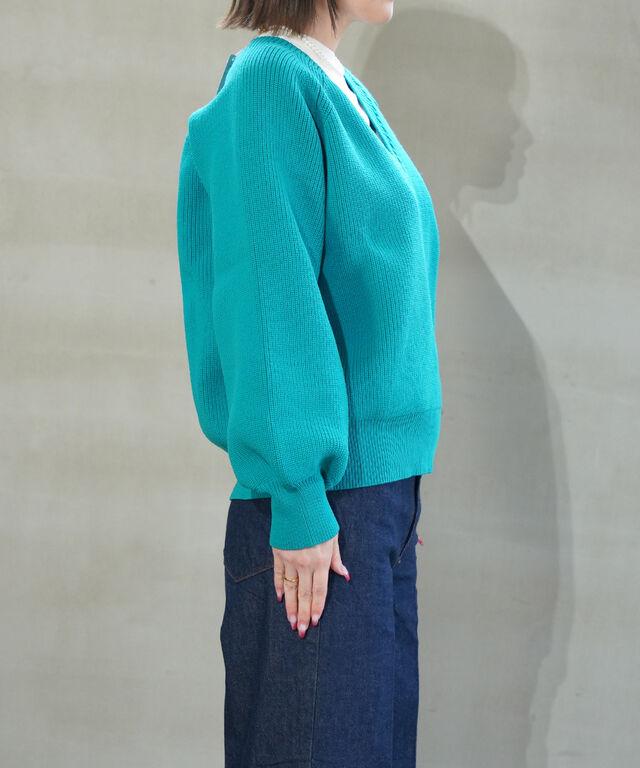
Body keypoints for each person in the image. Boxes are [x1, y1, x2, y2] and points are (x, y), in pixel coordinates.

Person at [176, 1, 442, 765]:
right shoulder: (269, 82)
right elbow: (270, 298)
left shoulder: (340, 87)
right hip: (323, 505)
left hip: (372, 504)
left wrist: (389, 491)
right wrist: (301, 493)